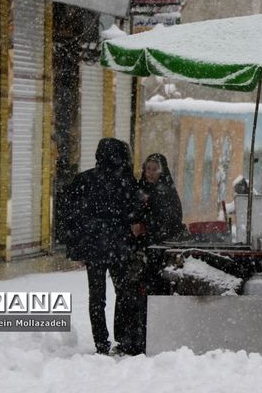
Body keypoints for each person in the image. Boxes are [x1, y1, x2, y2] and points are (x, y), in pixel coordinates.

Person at [63, 138, 140, 355]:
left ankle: (101, 342)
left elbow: (72, 217)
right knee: (123, 293)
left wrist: (76, 247)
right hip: (119, 247)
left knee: (97, 297)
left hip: (94, 248)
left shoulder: (83, 180)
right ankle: (123, 337)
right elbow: (134, 213)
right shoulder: (126, 182)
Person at [130, 153, 187, 352]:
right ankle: (138, 338)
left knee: (155, 291)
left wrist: (147, 226)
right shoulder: (140, 190)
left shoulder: (166, 192)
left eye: (155, 169)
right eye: (148, 169)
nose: (151, 173)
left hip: (159, 251)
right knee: (138, 294)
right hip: (142, 251)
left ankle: (153, 338)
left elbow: (171, 220)